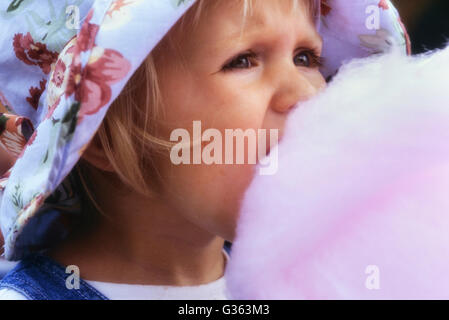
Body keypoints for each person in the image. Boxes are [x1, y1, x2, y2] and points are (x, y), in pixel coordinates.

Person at [0, 0, 409, 299]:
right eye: (244, 60)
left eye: (306, 57)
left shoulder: (318, 279)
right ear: (99, 135)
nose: (305, 91)